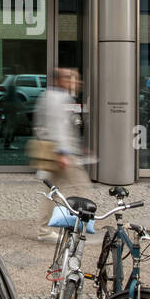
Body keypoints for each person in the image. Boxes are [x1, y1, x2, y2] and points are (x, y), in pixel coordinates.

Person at [33, 67, 88, 241]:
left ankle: (44, 231)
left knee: (52, 192)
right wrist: (64, 152)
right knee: (81, 187)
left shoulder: (48, 95)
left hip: (55, 151)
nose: (76, 82)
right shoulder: (60, 98)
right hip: (61, 154)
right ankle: (83, 226)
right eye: (71, 78)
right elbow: (58, 127)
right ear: (60, 80)